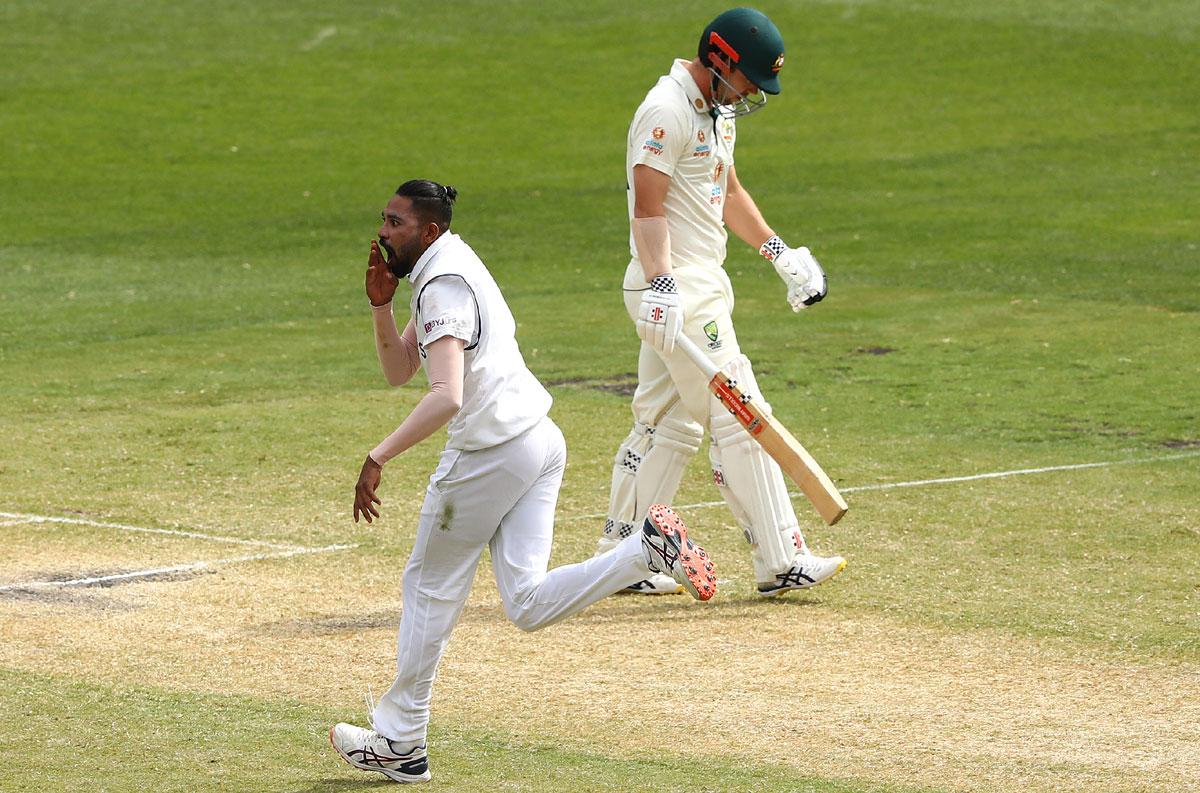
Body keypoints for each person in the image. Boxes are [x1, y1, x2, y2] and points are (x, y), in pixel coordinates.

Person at [329, 180, 717, 784]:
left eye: (395, 223)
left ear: (427, 230)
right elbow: (399, 370)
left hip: (491, 455)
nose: (382, 232)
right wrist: (380, 304)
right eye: (383, 219)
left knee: (429, 589)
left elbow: (446, 396)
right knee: (528, 604)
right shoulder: (447, 265)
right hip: (538, 441)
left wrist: (378, 456)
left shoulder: (443, 286)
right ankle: (645, 551)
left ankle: (401, 739)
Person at [596, 8, 847, 597]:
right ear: (718, 58)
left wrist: (779, 253)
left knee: (664, 425)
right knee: (739, 410)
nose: (755, 91)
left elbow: (726, 190)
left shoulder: (719, 108)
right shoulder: (665, 111)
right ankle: (780, 559)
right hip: (675, 286)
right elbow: (648, 209)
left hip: (700, 283)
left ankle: (622, 556)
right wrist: (661, 284)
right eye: (750, 78)